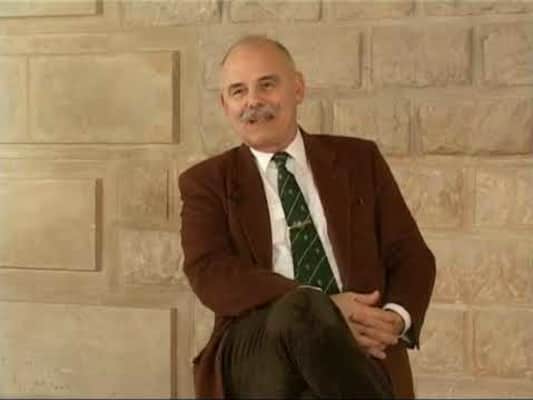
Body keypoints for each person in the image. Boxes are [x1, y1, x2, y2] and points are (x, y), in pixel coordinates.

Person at [179, 35, 436, 399]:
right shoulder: (206, 182)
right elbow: (209, 272)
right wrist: (322, 309)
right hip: (257, 346)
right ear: (225, 105)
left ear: (297, 88)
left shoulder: (359, 160)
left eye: (267, 85)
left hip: (359, 347)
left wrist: (394, 318)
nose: (253, 100)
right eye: (238, 91)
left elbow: (410, 254)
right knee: (302, 308)